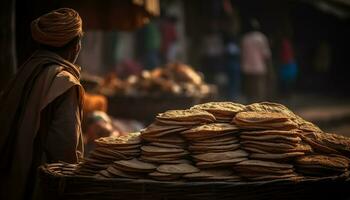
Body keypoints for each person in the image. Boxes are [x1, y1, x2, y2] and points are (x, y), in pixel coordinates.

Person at [0, 8, 84, 200]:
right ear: (76, 46)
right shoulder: (64, 81)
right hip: (37, 185)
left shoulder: (23, 72)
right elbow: (65, 148)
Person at [241, 19, 272, 102]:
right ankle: (259, 105)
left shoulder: (245, 38)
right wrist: (269, 68)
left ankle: (251, 104)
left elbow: (243, 54)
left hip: (247, 66)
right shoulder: (261, 38)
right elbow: (266, 54)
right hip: (259, 66)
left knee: (250, 88)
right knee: (259, 87)